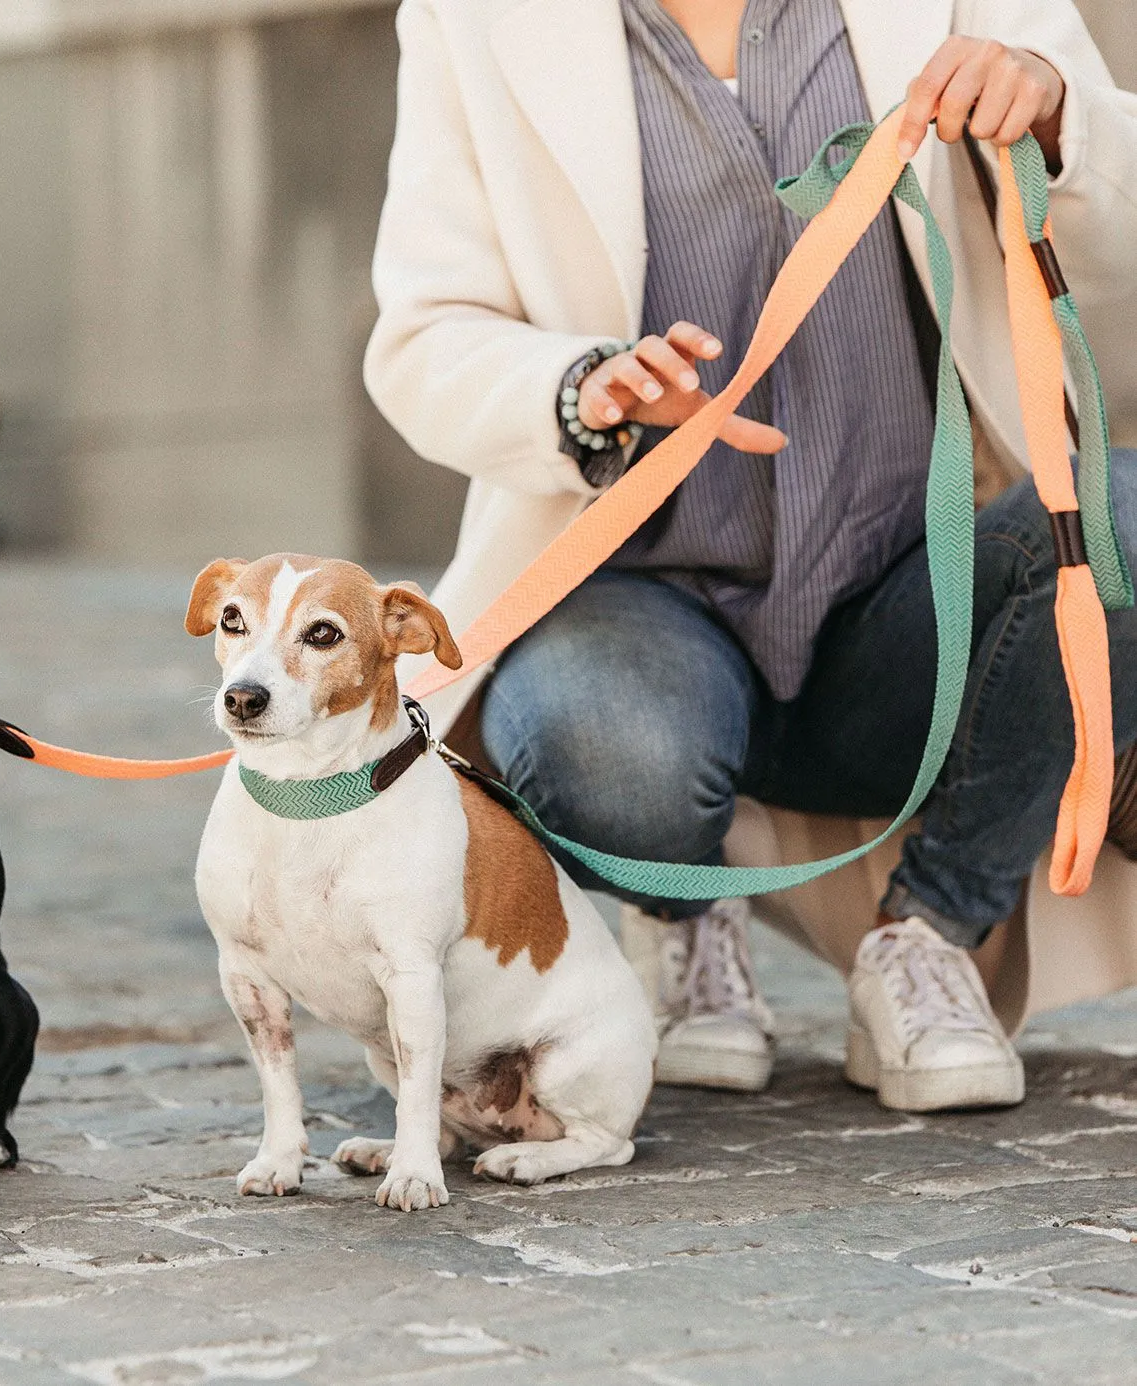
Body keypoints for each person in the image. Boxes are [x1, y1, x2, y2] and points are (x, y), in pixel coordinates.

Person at [364, 0, 1137, 1112]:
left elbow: (1112, 229)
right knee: (611, 748)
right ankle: (682, 912)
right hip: (635, 600)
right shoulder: (469, 18)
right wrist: (582, 389)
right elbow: (424, 335)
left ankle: (929, 938)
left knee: (1110, 522)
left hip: (915, 598)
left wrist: (1054, 115)